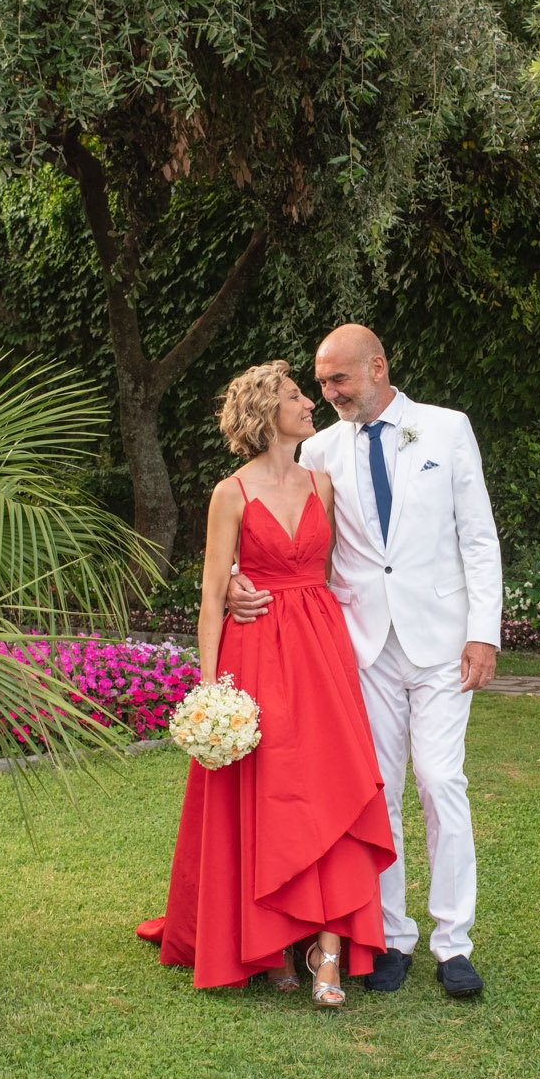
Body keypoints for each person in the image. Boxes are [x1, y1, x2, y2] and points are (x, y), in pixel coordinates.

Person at [229, 324, 500, 998]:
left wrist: (484, 631)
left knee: (440, 780)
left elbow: (478, 535)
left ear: (376, 368)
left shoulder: (446, 429)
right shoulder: (318, 449)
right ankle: (391, 936)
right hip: (361, 648)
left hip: (443, 642)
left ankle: (454, 941)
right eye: (318, 384)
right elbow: (272, 513)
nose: (326, 394)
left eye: (337, 380)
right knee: (376, 790)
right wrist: (236, 574)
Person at [137, 361, 395, 1006]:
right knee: (270, 789)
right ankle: (274, 939)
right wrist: (209, 689)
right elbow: (209, 594)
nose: (308, 402)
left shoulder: (323, 484)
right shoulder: (231, 492)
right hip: (255, 653)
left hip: (320, 649)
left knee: (331, 784)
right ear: (264, 412)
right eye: (293, 395)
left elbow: (345, 568)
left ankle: (327, 946)